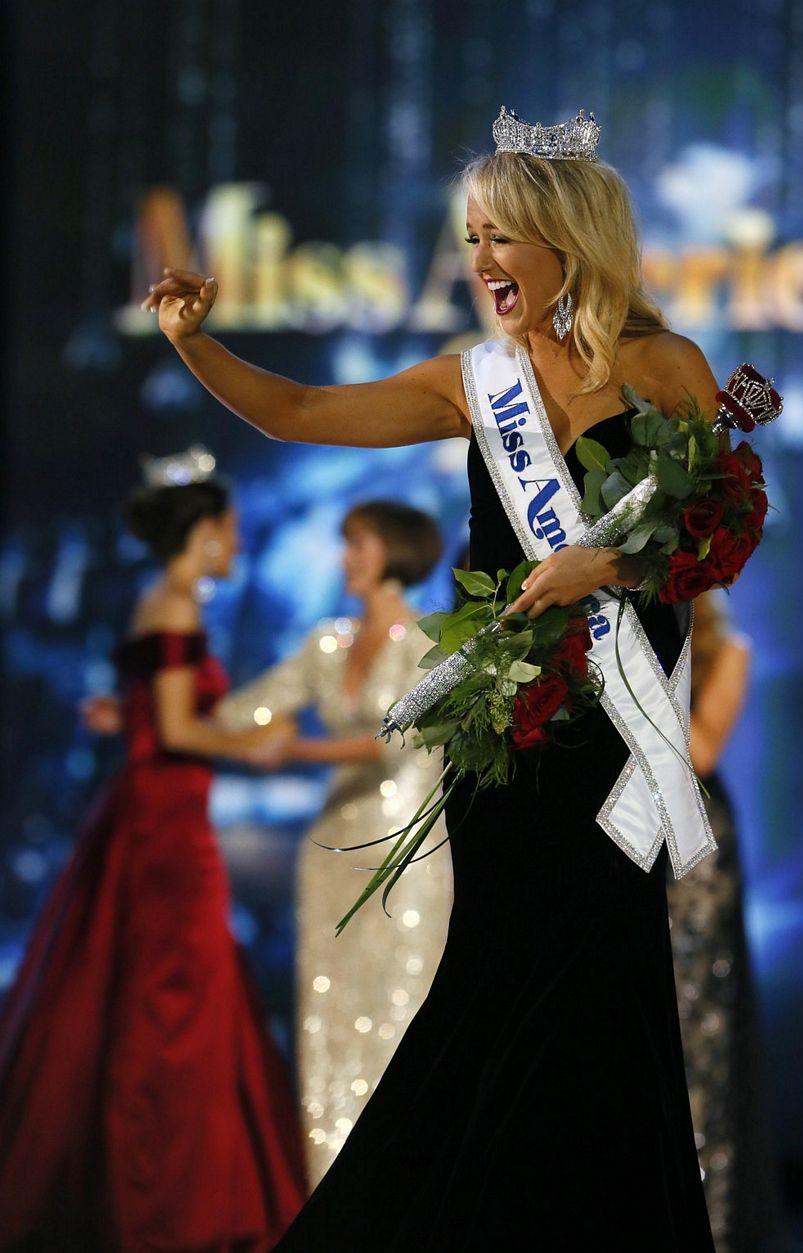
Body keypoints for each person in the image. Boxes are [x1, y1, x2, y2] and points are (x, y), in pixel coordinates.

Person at [143, 107, 720, 1249]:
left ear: (569, 240)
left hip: (617, 749)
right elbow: (303, 413)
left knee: (603, 1000)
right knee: (496, 989)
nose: (482, 262)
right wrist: (193, 346)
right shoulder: (475, 383)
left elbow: (715, 532)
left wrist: (606, 561)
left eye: (503, 236)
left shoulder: (665, 368)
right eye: (471, 238)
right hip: (510, 741)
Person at [0, 457, 305, 1251]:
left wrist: (125, 714)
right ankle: (165, 1194)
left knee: (152, 989)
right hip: (167, 828)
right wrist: (254, 745)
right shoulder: (175, 605)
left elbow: (149, 714)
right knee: (175, 997)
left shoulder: (161, 602)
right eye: (230, 530)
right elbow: (176, 731)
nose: (237, 542)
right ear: (203, 535)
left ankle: (153, 1182)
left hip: (154, 816)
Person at [214, 500, 453, 1188]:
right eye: (346, 544)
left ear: (395, 552)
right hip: (333, 853)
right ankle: (334, 1192)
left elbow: (394, 739)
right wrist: (161, 710)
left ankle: (414, 1192)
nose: (346, 557)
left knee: (406, 1015)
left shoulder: (429, 643)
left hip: (407, 856)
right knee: (331, 1019)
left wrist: (295, 747)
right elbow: (247, 709)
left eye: (358, 544)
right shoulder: (326, 644)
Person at [669, 591, 783, 1252]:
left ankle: (704, 1214)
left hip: (694, 854)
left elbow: (703, 750)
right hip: (627, 837)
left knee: (696, 1022)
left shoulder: (729, 650)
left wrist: (646, 677)